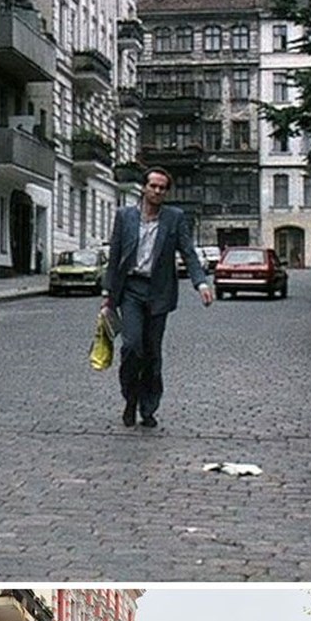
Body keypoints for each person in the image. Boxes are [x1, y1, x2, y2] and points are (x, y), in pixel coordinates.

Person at [102, 166, 212, 428]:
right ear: (144, 187)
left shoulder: (174, 218)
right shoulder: (124, 216)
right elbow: (115, 256)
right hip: (130, 290)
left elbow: (188, 253)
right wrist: (108, 295)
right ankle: (130, 399)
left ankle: (148, 407)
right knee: (131, 347)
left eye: (162, 187)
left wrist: (201, 283)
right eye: (153, 185)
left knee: (152, 354)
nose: (157, 190)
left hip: (159, 293)